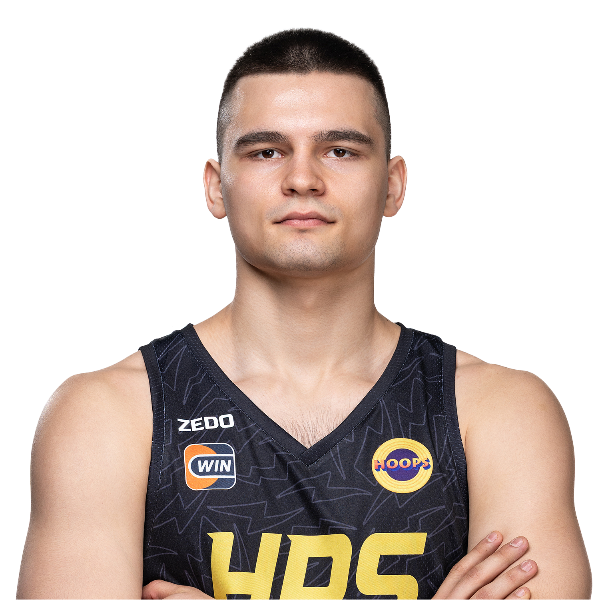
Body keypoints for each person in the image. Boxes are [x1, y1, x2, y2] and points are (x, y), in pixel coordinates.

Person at [17, 25, 591, 600]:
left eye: (340, 151)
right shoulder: (106, 415)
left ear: (393, 186)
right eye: (266, 151)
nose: (302, 180)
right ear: (216, 187)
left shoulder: (501, 411)